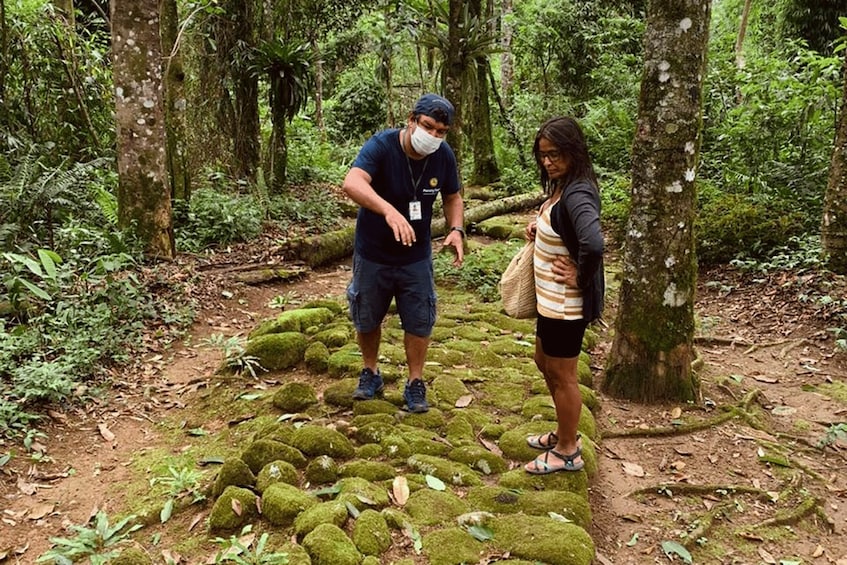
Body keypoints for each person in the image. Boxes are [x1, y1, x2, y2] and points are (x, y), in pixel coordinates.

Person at [343, 93, 465, 413]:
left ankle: (415, 382)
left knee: (419, 318)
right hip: (373, 252)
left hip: (416, 256)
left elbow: (453, 196)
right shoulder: (382, 146)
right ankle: (370, 372)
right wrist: (389, 211)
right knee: (367, 315)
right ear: (412, 120)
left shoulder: (443, 156)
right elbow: (352, 183)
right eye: (428, 127)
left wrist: (456, 229)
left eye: (441, 131)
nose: (434, 136)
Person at [523, 116, 605, 474]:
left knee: (563, 374)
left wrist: (581, 277)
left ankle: (569, 450)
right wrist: (539, 228)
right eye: (542, 155)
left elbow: (594, 242)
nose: (548, 161)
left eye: (555, 154)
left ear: (574, 152)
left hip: (565, 305)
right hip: (549, 301)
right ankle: (563, 431)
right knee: (544, 361)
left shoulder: (579, 192)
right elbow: (563, 227)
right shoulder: (561, 187)